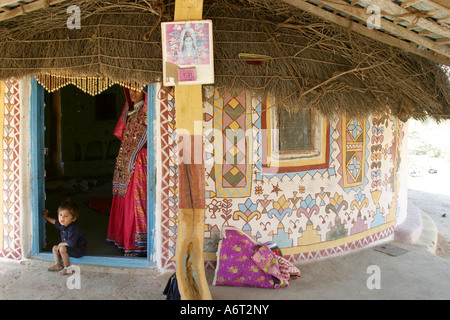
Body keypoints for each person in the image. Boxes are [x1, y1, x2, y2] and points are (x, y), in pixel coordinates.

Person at [107, 87, 148, 256]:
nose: (133, 92)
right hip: (128, 161)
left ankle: (138, 243)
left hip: (140, 163)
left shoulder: (147, 112)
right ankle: (126, 240)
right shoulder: (130, 112)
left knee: (135, 198)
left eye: (138, 89)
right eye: (131, 89)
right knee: (126, 197)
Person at [42, 200, 87, 275]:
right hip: (69, 247)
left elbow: (72, 243)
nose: (62, 218)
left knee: (62, 248)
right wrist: (46, 217)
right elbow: (55, 221)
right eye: (60, 215)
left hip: (78, 250)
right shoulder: (63, 224)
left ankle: (67, 268)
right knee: (54, 247)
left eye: (66, 216)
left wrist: (61, 244)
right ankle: (58, 264)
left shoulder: (73, 229)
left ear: (74, 218)